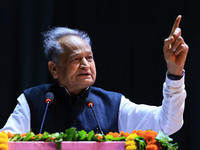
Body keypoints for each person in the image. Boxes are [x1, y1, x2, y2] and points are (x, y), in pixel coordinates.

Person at [1, 15, 188, 135]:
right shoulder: (32, 101)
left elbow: (167, 124)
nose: (85, 64)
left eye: (89, 58)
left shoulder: (113, 104)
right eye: (76, 59)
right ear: (54, 69)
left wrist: (174, 73)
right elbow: (7, 142)